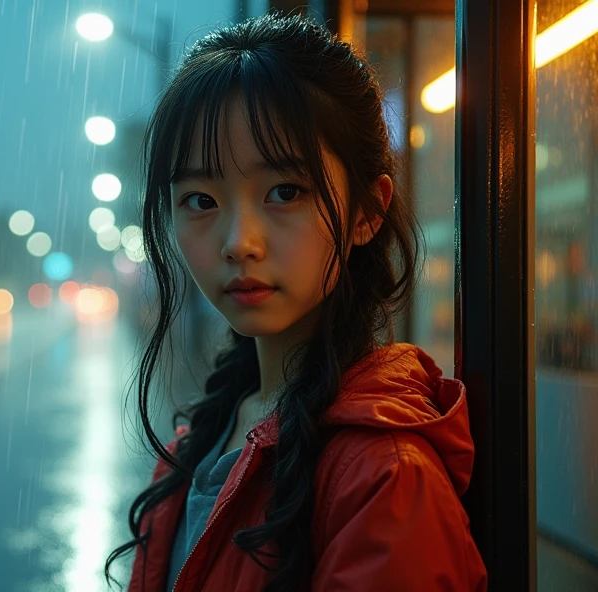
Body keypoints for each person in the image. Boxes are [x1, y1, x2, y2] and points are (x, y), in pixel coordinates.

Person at [104, 13, 487, 592]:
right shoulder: (207, 436)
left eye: (285, 192)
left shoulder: (386, 479)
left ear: (368, 211)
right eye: (201, 200)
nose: (238, 243)